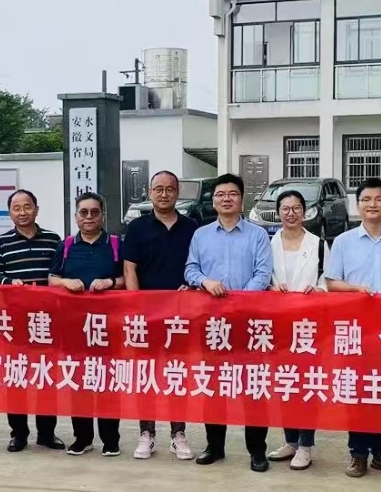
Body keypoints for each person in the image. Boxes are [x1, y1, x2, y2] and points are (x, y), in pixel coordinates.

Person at [324, 177, 381, 479]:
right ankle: (358, 453)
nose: (372, 204)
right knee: (357, 390)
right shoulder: (343, 241)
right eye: (366, 199)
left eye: (378, 199)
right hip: (355, 330)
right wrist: (354, 289)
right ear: (358, 205)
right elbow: (331, 282)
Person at [183, 173, 274, 473]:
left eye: (232, 194)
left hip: (249, 323)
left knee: (253, 388)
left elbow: (263, 273)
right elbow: (190, 269)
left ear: (242, 199)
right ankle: (215, 446)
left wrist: (239, 303)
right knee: (214, 384)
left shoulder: (258, 235)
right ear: (213, 201)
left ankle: (257, 451)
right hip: (212, 323)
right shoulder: (201, 235)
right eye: (220, 194)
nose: (226, 199)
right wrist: (205, 281)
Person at [122, 170, 199, 461]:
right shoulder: (137, 227)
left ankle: (178, 434)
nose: (164, 194)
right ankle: (147, 433)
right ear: (150, 192)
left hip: (181, 315)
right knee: (147, 375)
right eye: (159, 189)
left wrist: (191, 288)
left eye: (170, 189)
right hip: (147, 316)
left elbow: (198, 266)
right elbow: (129, 268)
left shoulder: (192, 228)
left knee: (177, 374)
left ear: (177, 193)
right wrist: (136, 306)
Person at [0, 189, 66, 453]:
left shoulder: (53, 240)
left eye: (27, 206)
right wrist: (10, 282)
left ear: (36, 209)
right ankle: (18, 434)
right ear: (10, 212)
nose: (22, 212)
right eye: (17, 208)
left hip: (47, 321)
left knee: (46, 377)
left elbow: (60, 273)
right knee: (17, 377)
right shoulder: (2, 242)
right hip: (15, 322)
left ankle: (47, 433)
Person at [49, 192, 125, 457]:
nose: (89, 217)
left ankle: (111, 439)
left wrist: (110, 283)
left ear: (103, 215)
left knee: (107, 383)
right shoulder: (66, 245)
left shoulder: (115, 244)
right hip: (74, 327)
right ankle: (82, 438)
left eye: (94, 212)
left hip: (109, 327)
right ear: (76, 217)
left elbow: (126, 279)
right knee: (78, 381)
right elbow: (52, 279)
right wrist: (65, 282)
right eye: (84, 212)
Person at [265, 189, 329, 471]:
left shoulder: (318, 244)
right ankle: (290, 440)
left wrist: (318, 290)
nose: (291, 213)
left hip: (308, 325)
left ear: (305, 212)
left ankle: (306, 445)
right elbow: (262, 276)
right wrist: (270, 287)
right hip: (278, 325)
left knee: (307, 384)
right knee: (285, 383)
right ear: (278, 212)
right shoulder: (268, 244)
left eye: (296, 208)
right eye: (285, 208)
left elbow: (328, 279)